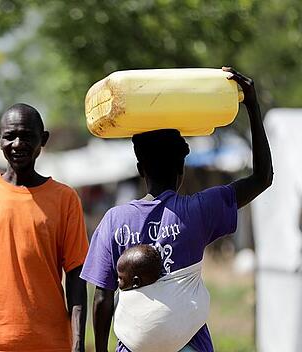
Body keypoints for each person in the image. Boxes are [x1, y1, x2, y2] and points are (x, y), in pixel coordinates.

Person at [80, 67, 273, 352]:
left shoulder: (113, 220)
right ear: (181, 168)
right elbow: (262, 178)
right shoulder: (198, 210)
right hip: (191, 344)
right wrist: (253, 106)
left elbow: (102, 297)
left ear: (139, 169)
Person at [0, 103, 89, 352]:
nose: (17, 144)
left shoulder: (65, 199)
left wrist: (78, 343)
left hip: (50, 344)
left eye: (26, 136)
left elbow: (76, 279)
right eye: (10, 136)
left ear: (43, 139)